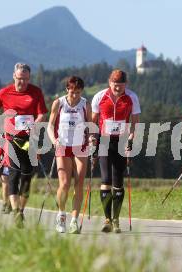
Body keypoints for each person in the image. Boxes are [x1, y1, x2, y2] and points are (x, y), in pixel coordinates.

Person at [0, 63, 48, 228]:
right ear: (14, 76)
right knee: (14, 173)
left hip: (30, 139)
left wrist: (36, 124)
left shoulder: (35, 92)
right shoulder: (5, 92)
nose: (22, 82)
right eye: (19, 79)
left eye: (25, 79)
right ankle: (15, 211)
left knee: (27, 176)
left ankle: (21, 210)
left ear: (29, 78)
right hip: (11, 139)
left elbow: (42, 113)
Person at [91, 69, 141, 233]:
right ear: (109, 82)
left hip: (121, 141)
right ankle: (107, 219)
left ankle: (116, 219)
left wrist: (131, 139)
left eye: (120, 85)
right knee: (105, 180)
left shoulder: (132, 97)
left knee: (118, 182)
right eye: (114, 84)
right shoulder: (99, 97)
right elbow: (93, 121)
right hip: (104, 140)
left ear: (126, 84)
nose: (117, 88)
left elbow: (135, 123)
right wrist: (93, 138)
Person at [47, 76, 94, 234]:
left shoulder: (85, 104)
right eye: (72, 92)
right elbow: (50, 126)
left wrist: (92, 137)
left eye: (78, 92)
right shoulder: (58, 103)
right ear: (67, 89)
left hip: (80, 145)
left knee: (79, 183)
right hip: (62, 145)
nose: (75, 95)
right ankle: (61, 215)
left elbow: (90, 126)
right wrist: (54, 140)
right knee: (65, 183)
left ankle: (74, 220)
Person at [0, 146, 12, 214]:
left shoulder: (19, 140)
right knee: (5, 187)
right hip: (6, 166)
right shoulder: (4, 143)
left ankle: (9, 205)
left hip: (15, 168)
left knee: (11, 187)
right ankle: (5, 203)